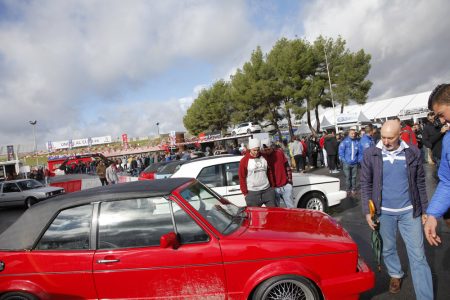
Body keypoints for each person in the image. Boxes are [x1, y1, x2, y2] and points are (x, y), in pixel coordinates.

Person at [360, 120, 432, 298]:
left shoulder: (412, 152)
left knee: (418, 257)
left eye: (390, 138)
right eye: (383, 137)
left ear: (400, 135)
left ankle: (426, 297)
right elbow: (366, 183)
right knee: (388, 249)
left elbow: (420, 183)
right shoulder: (371, 154)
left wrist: (425, 210)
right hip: (383, 213)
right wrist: (368, 211)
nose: (385, 141)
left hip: (410, 212)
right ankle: (395, 274)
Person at [424, 83, 450, 246]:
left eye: (441, 114)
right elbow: (447, 181)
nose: (441, 120)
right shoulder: (448, 140)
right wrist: (432, 214)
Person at [238, 138, 276, 207]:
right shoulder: (244, 160)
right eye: (254, 150)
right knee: (255, 216)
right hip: (252, 193)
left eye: (258, 150)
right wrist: (245, 193)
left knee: (273, 214)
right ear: (250, 149)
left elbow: (269, 171)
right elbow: (242, 177)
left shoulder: (264, 157)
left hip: (267, 190)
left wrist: (272, 186)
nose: (256, 152)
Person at [261, 140, 294, 208]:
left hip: (285, 186)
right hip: (273, 188)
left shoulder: (279, 153)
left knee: (291, 208)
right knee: (276, 210)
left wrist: (289, 182)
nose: (267, 151)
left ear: (272, 147)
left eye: (268, 149)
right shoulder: (263, 157)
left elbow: (287, 167)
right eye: (265, 150)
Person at [339, 128, 360, 196]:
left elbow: (359, 152)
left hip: (355, 163)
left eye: (354, 133)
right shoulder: (344, 142)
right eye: (352, 133)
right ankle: (348, 189)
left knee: (354, 177)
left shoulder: (357, 142)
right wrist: (344, 161)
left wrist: (358, 160)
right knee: (348, 177)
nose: (353, 135)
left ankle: (353, 189)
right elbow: (341, 152)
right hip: (347, 163)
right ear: (349, 134)